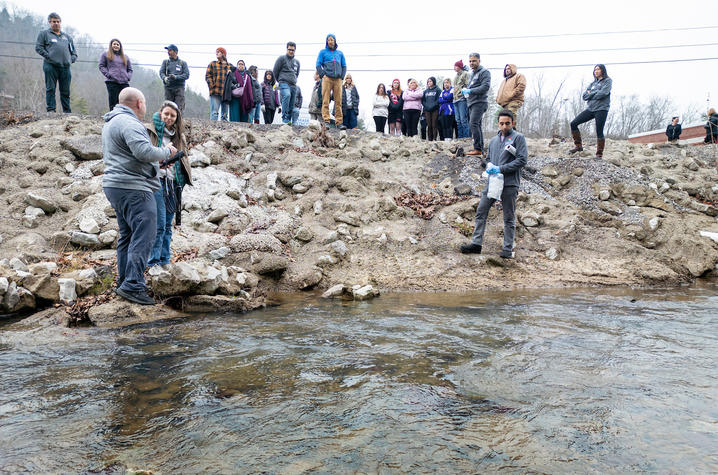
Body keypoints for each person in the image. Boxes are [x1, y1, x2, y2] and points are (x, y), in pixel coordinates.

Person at [102, 88, 177, 305]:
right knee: (145, 233)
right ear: (139, 103)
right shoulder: (130, 122)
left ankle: (125, 282)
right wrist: (166, 152)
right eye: (144, 104)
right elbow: (144, 152)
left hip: (116, 185)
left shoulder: (112, 122)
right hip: (133, 188)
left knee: (128, 235)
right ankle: (133, 285)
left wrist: (157, 163)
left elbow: (130, 155)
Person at [460, 109, 527, 259]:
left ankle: (508, 249)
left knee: (508, 216)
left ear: (513, 123)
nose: (504, 127)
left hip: (509, 183)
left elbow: (522, 160)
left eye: (507, 123)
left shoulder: (519, 138)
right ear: (498, 123)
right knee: (481, 211)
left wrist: (501, 168)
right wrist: (488, 165)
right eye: (501, 123)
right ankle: (476, 244)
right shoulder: (494, 141)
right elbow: (488, 158)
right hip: (493, 182)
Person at [146, 101, 192, 267]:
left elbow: (185, 159)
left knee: (167, 225)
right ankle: (153, 262)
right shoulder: (150, 131)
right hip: (156, 181)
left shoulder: (179, 136)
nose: (169, 118)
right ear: (160, 113)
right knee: (159, 225)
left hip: (173, 183)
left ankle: (165, 260)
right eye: (166, 114)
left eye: (173, 115)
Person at [35, 12, 77, 113]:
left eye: (58, 21)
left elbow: (74, 52)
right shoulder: (44, 34)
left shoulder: (67, 37)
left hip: (65, 68)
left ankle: (67, 112)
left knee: (65, 91)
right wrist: (49, 57)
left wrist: (71, 59)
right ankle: (51, 110)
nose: (56, 23)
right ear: (50, 22)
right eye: (54, 21)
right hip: (50, 66)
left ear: (60, 22)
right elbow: (38, 48)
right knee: (50, 89)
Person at [569, 64, 612, 158]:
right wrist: (594, 93)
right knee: (573, 123)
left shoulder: (607, 81)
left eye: (598, 69)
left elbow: (603, 93)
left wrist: (591, 94)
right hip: (591, 109)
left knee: (599, 131)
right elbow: (584, 96)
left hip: (601, 109)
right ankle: (578, 146)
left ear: (602, 71)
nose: (596, 71)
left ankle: (599, 154)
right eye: (595, 69)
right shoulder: (593, 84)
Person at [462, 53, 491, 156]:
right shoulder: (472, 74)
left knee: (473, 123)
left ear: (479, 61)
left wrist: (470, 91)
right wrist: (466, 92)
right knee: (476, 125)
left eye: (474, 61)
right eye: (470, 61)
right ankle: (480, 149)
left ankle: (478, 149)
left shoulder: (484, 72)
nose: (471, 63)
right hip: (471, 102)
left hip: (480, 102)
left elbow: (485, 87)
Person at [316, 34, 347, 130]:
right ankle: (326, 121)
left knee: (338, 101)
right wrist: (322, 75)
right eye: (329, 40)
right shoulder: (323, 52)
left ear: (335, 41)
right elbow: (318, 64)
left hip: (338, 79)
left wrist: (342, 77)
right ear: (327, 42)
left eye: (332, 40)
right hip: (327, 79)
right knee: (325, 100)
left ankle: (339, 122)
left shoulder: (340, 53)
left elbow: (344, 66)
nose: (330, 41)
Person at [98, 39, 132, 112]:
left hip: (124, 82)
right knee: (113, 101)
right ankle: (113, 117)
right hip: (112, 82)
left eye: (118, 44)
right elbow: (101, 66)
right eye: (114, 44)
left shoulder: (125, 57)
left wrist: (128, 77)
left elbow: (130, 69)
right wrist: (108, 74)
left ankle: (123, 116)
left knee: (124, 101)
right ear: (111, 45)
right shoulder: (105, 54)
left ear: (120, 46)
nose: (116, 46)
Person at [273, 41, 300, 125]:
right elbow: (275, 71)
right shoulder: (281, 58)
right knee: (287, 95)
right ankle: (284, 117)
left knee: (292, 103)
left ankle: (288, 120)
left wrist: (293, 79)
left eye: (293, 50)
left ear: (295, 50)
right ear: (286, 49)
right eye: (289, 49)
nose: (291, 51)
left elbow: (297, 73)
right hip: (283, 82)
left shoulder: (297, 62)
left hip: (293, 85)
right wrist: (280, 81)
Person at [159, 44, 190, 112]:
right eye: (168, 50)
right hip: (168, 88)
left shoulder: (182, 63)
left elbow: (186, 75)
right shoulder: (165, 62)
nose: (168, 52)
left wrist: (176, 77)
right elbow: (161, 72)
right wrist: (165, 78)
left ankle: (179, 122)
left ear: (175, 52)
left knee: (178, 109)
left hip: (179, 88)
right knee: (168, 108)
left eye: (170, 50)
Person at [496, 64, 526, 128]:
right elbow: (500, 91)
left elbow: (521, 86)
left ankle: (513, 134)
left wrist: (512, 94)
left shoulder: (519, 76)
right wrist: (498, 99)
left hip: (514, 100)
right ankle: (506, 134)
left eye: (509, 68)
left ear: (513, 69)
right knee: (505, 119)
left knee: (511, 117)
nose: (507, 70)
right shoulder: (504, 81)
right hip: (505, 103)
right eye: (506, 69)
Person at [205, 47, 231, 121]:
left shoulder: (229, 66)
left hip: (226, 94)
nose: (216, 53)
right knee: (214, 113)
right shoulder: (212, 64)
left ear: (223, 54)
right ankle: (213, 130)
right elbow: (207, 76)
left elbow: (233, 79)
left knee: (225, 115)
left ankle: (224, 131)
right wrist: (212, 86)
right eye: (216, 52)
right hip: (215, 92)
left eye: (218, 52)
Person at [453, 60, 470, 138]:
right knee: (458, 120)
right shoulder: (456, 76)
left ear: (459, 67)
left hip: (462, 99)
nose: (454, 68)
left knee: (463, 120)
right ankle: (460, 137)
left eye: (456, 66)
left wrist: (464, 94)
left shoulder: (465, 74)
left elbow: (468, 85)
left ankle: (466, 137)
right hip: (455, 99)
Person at [422, 76, 441, 141]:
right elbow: (423, 100)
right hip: (427, 110)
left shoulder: (438, 90)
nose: (429, 83)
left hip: (435, 109)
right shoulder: (425, 91)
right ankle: (430, 139)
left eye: (430, 81)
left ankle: (435, 138)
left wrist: (433, 106)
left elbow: (438, 99)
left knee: (434, 125)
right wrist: (426, 106)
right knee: (429, 125)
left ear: (434, 82)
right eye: (428, 81)